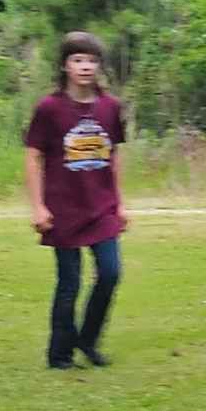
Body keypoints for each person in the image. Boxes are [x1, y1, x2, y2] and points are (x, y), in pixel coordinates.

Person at [23, 31, 128, 370]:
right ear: (65, 66)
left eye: (92, 61)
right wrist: (38, 206)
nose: (85, 67)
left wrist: (120, 203)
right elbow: (33, 157)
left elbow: (114, 156)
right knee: (69, 282)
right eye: (78, 60)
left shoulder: (110, 107)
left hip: (101, 207)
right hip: (63, 208)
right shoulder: (49, 109)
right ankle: (60, 354)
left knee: (110, 273)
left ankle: (88, 339)